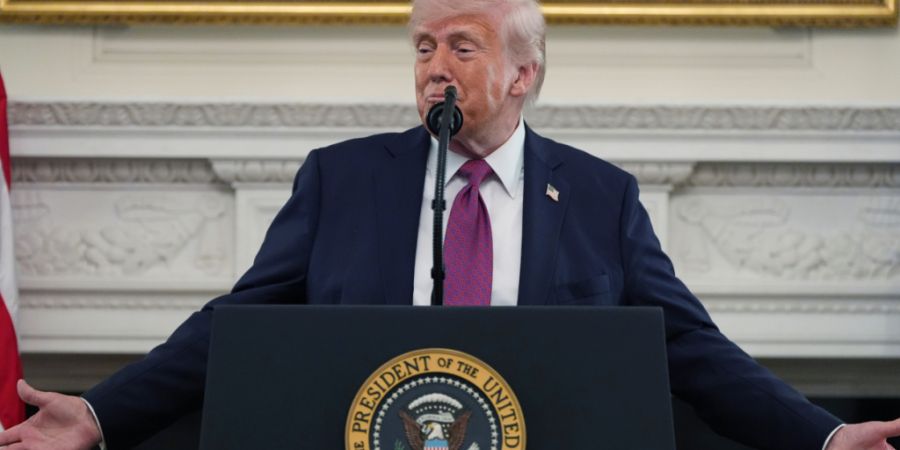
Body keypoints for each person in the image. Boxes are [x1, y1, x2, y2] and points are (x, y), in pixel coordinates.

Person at [2, 0, 900, 449]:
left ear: (522, 74)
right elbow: (235, 329)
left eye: (461, 47)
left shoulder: (599, 198)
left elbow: (692, 351)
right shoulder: (343, 180)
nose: (436, 67)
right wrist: (96, 411)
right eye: (423, 48)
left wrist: (821, 435)